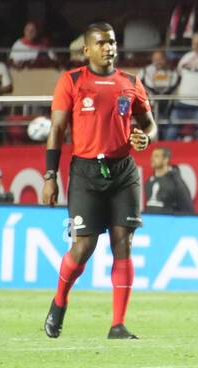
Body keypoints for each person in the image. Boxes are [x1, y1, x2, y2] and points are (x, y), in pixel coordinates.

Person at [41, 22, 158, 341]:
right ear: (87, 50)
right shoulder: (72, 81)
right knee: (84, 247)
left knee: (124, 243)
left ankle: (117, 324)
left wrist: (145, 139)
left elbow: (150, 125)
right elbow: (57, 130)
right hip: (86, 173)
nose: (109, 47)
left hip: (123, 172)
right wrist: (50, 175)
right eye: (102, 42)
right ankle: (60, 301)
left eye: (113, 42)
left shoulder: (131, 83)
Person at [145, 146, 195, 215]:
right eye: (152, 156)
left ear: (166, 160)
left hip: (168, 223)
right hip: (150, 223)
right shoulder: (149, 181)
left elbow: (187, 207)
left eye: (156, 156)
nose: (152, 159)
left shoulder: (176, 182)